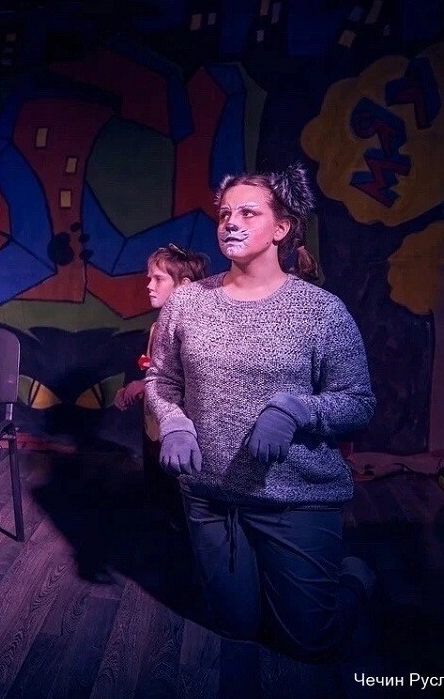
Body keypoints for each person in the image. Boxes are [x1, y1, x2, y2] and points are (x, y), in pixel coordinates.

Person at [145, 164, 377, 662]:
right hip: (210, 496)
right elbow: (161, 380)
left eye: (248, 213)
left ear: (282, 227)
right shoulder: (187, 303)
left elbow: (358, 401)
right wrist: (174, 422)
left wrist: (295, 409)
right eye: (225, 214)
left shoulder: (320, 311)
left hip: (294, 497)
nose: (231, 222)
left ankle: (354, 578)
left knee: (307, 642)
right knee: (234, 628)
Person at [113, 244, 208, 530]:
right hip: (154, 426)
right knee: (159, 498)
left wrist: (143, 385)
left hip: (180, 430)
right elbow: (159, 371)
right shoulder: (159, 326)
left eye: (158, 279)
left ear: (184, 286)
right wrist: (140, 384)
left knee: (179, 506)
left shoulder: (197, 329)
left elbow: (187, 380)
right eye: (149, 278)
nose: (149, 285)